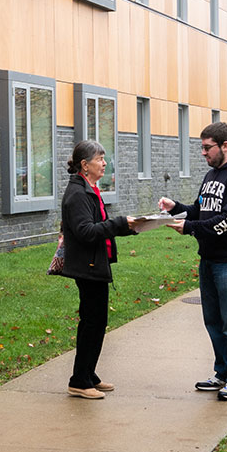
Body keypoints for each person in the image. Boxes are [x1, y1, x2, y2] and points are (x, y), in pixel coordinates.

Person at [158, 122, 227, 401]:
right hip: (209, 259)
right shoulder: (212, 176)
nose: (203, 153)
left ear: (224, 146)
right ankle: (223, 372)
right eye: (202, 148)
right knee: (213, 320)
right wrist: (176, 208)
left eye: (207, 147)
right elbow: (200, 211)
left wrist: (189, 227)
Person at [61, 140, 138, 399]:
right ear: (85, 165)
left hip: (94, 264)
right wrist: (118, 224)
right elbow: (85, 231)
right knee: (92, 322)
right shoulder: (79, 194)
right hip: (87, 267)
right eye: (100, 159)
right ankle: (80, 381)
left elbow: (100, 226)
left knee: (95, 322)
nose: (104, 163)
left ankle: (88, 374)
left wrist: (129, 227)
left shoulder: (89, 189)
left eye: (104, 158)